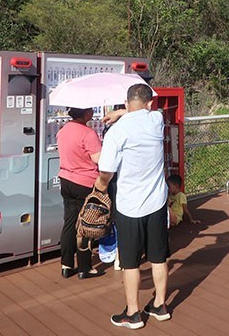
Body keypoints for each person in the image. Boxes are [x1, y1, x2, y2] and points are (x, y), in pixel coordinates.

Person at [95, 84, 171, 330]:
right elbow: (141, 112)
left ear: (127, 102)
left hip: (129, 206)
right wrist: (122, 111)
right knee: (158, 257)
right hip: (157, 202)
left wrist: (99, 189)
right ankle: (160, 306)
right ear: (150, 104)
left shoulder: (116, 133)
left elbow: (106, 172)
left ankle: (133, 313)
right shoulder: (157, 120)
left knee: (130, 263)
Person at [57, 106, 104, 279]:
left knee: (69, 224)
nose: (92, 112)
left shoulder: (63, 130)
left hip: (66, 180)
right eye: (90, 110)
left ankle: (66, 265)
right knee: (86, 225)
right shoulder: (88, 133)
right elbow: (99, 159)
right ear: (85, 113)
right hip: (85, 183)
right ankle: (85, 268)